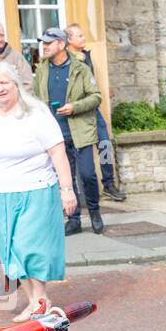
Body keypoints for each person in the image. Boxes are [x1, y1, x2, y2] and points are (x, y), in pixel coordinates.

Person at [0, 61, 76, 322]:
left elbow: (57, 152)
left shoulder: (35, 113)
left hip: (35, 189)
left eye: (4, 82)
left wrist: (67, 190)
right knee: (11, 251)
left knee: (30, 247)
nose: (0, 88)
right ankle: (34, 301)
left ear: (16, 84)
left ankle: (40, 299)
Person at [34, 27, 104, 235]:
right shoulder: (42, 69)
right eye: (44, 43)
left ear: (61, 45)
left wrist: (75, 107)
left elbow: (96, 96)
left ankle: (94, 212)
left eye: (49, 42)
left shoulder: (80, 68)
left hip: (80, 132)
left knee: (88, 175)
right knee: (66, 179)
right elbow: (36, 98)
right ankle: (73, 220)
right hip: (55, 135)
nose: (44, 46)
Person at [67, 24, 125, 202]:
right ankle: (77, 191)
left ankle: (108, 184)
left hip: (93, 109)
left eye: (83, 35)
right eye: (79, 36)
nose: (83, 38)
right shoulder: (67, 59)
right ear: (69, 40)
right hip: (77, 112)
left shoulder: (87, 55)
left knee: (105, 144)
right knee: (78, 153)